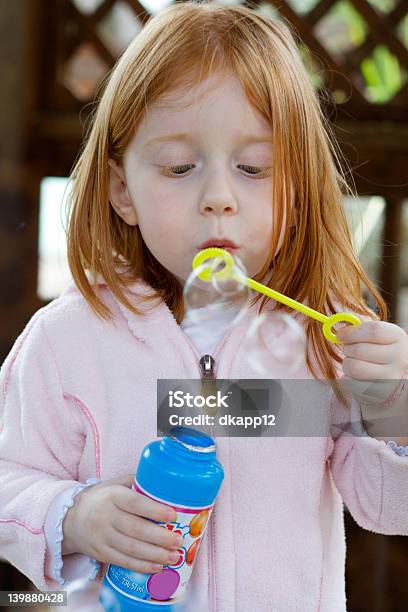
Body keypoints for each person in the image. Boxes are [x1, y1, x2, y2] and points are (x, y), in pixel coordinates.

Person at [1, 2, 407, 611]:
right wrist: (73, 514)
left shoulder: (322, 344)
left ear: (297, 185)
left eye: (254, 168)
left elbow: (389, 506)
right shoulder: (70, 342)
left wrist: (392, 410)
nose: (218, 197)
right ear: (121, 190)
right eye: (179, 167)